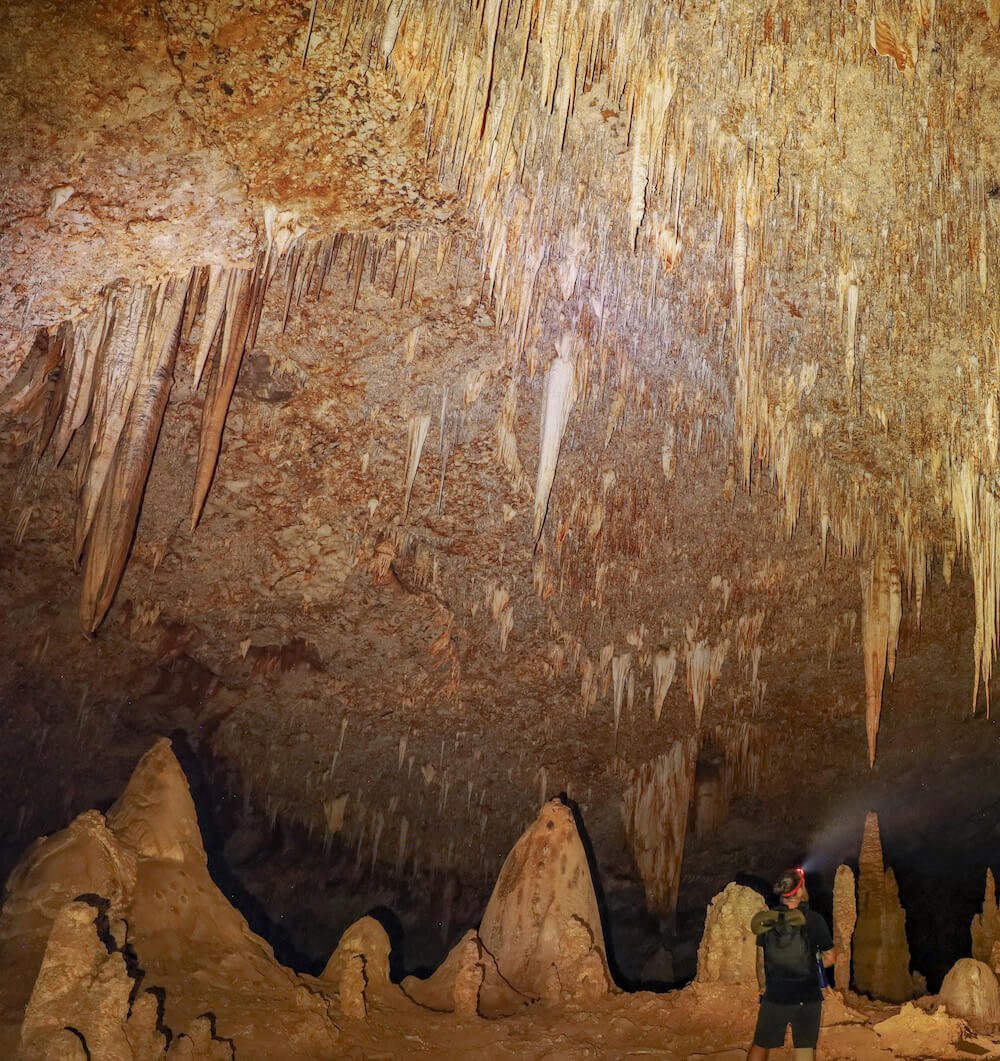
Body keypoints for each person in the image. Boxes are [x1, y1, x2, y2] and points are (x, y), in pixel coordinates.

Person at [747, 867, 836, 1061]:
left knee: (760, 1044)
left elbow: (761, 959)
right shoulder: (814, 920)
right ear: (800, 890)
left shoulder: (768, 921)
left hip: (776, 995)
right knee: (804, 1050)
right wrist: (815, 961)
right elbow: (831, 958)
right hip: (807, 996)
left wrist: (763, 988)